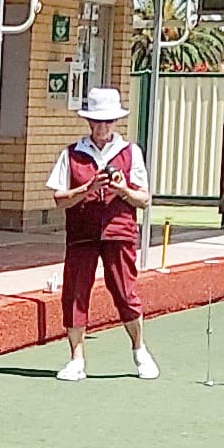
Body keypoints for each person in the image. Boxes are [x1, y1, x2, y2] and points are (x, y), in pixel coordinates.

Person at [45, 87, 158, 382]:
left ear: (115, 122)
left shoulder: (130, 152)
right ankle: (76, 359)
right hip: (82, 232)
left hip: (119, 231)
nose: (101, 127)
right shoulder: (72, 154)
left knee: (124, 291)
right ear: (88, 122)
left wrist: (122, 190)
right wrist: (88, 189)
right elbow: (59, 198)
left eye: (107, 121)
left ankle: (139, 349)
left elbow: (144, 199)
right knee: (74, 294)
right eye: (96, 121)